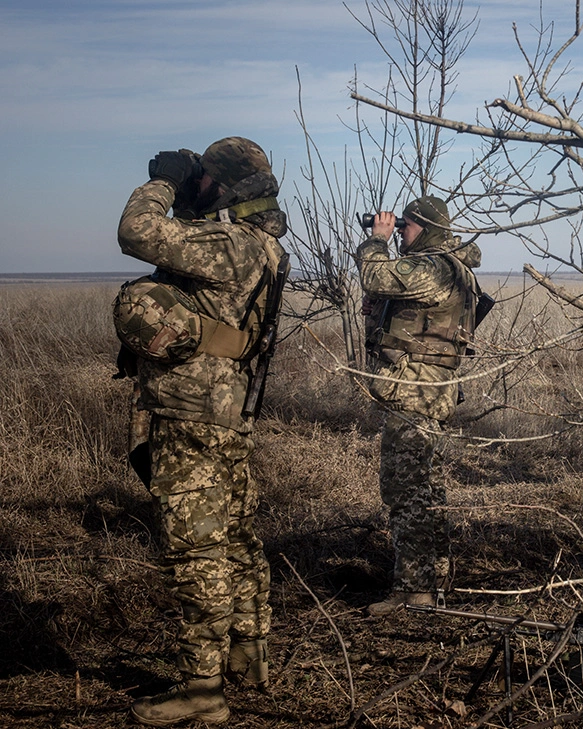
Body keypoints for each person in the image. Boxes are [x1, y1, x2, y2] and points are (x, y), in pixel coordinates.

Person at [114, 137, 288, 726]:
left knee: (196, 552)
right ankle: (248, 655)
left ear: (228, 187)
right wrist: (196, 198)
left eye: (207, 179)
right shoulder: (261, 245)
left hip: (192, 413)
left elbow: (136, 231)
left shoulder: (231, 245)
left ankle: (203, 690)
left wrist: (165, 182)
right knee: (236, 536)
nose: (199, 186)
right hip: (226, 411)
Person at [356, 196, 483, 616]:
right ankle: (436, 579)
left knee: (405, 491)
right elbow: (404, 324)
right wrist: (378, 313)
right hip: (427, 391)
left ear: (425, 228)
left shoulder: (435, 266)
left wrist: (377, 239)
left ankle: (413, 591)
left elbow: (375, 274)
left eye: (404, 226)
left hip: (416, 392)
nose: (399, 233)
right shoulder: (451, 268)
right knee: (427, 489)